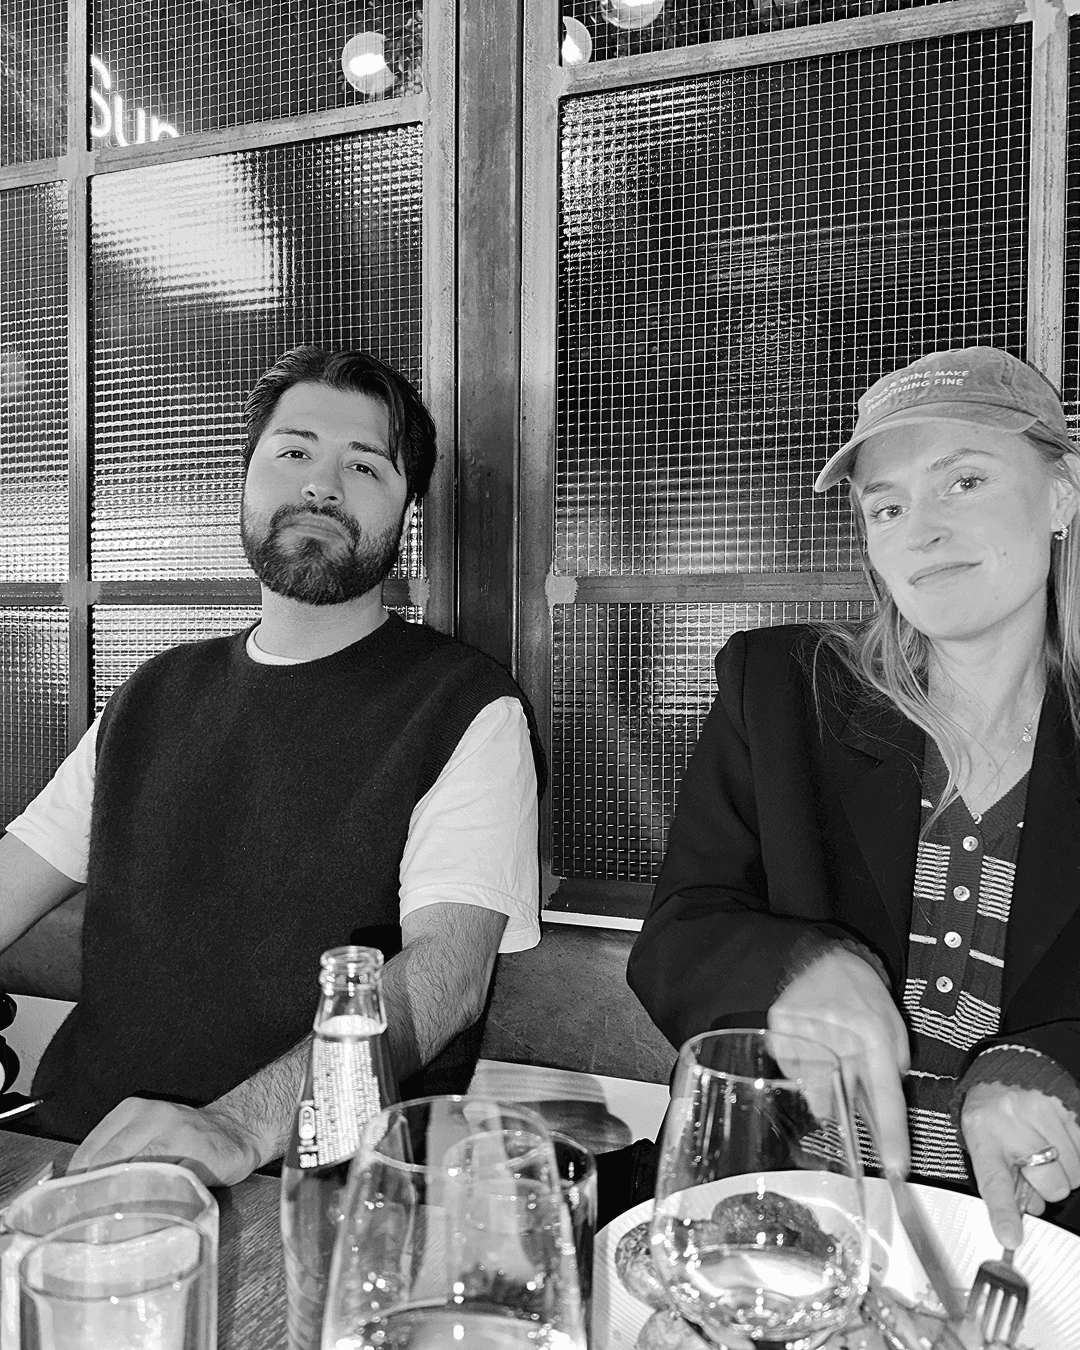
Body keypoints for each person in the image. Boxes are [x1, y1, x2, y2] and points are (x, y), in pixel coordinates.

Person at [0, 346, 542, 1182]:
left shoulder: (467, 707)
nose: (321, 485)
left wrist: (235, 1129)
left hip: (314, 1187)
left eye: (364, 466)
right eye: (294, 452)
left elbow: (448, 977)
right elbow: (13, 877)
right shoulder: (155, 692)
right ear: (247, 481)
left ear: (408, 512)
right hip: (76, 1146)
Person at [628, 347, 1080, 1247]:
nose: (921, 530)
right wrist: (797, 969)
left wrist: (1051, 1064)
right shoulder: (782, 691)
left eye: (965, 481)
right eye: (888, 505)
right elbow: (679, 935)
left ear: (1061, 495)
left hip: (1035, 1251)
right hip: (783, 1215)